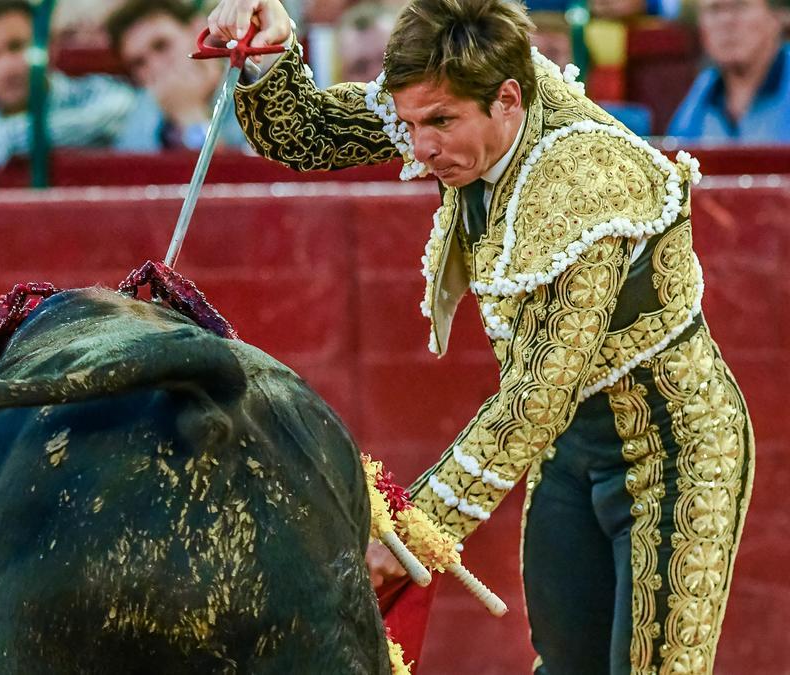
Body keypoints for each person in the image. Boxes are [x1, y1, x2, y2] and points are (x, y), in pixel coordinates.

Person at [210, 0, 755, 672]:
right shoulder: (449, 96)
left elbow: (539, 393)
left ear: (507, 99)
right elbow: (310, 133)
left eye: (439, 123)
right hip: (571, 452)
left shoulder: (585, 180)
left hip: (674, 450)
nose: (421, 147)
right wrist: (271, 52)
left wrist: (416, 526)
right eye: (409, 124)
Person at [0, 0, 137, 189]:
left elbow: (116, 113)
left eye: (16, 47)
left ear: (50, 47)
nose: (6, 68)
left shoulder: (97, 93)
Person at [106, 0, 250, 152]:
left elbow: (232, 172)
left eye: (161, 45)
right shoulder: (143, 109)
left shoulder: (256, 87)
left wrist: (190, 116)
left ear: (197, 30)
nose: (155, 67)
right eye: (139, 63)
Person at [666, 0, 790, 143]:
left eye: (740, 6)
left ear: (777, 17)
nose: (726, 21)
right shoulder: (703, 89)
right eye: (714, 9)